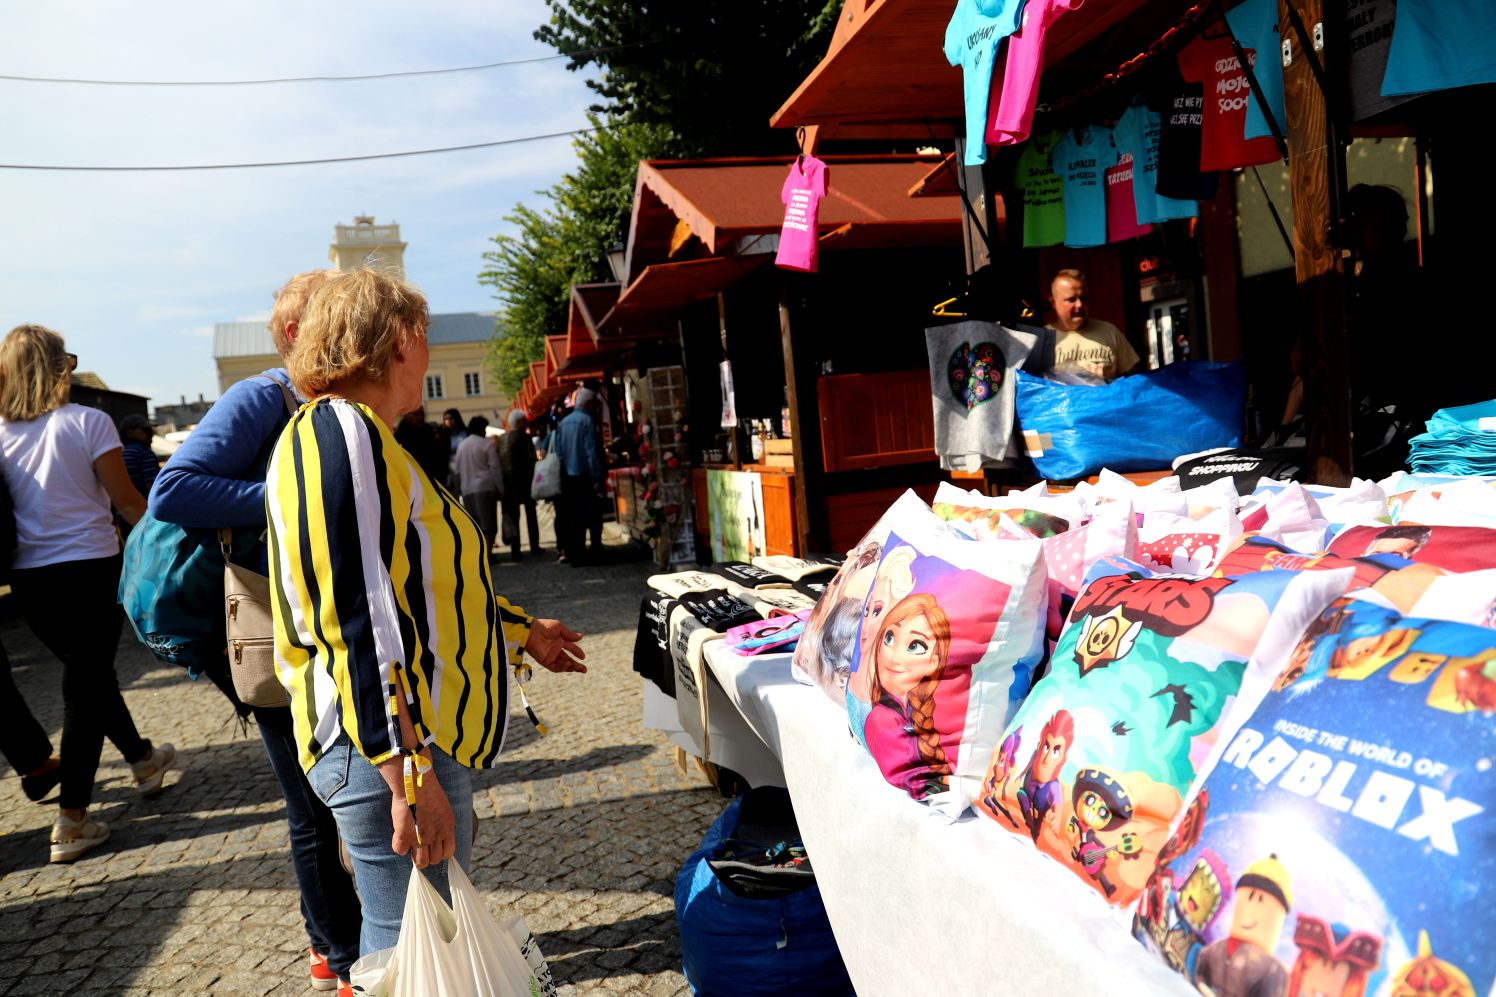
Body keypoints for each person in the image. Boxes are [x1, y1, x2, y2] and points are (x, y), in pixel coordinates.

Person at [266, 266, 588, 964]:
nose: (430, 352)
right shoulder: (341, 430)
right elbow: (359, 613)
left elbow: (421, 592)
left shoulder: (361, 435)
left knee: (415, 947)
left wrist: (522, 630)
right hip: (379, 743)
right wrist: (408, 773)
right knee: (410, 953)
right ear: (396, 341)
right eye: (423, 334)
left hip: (388, 740)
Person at [149, 269, 363, 994]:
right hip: (272, 633)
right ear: (300, 332)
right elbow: (173, 489)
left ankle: (331, 938)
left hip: (331, 625)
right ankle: (339, 955)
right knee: (311, 804)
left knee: (338, 796)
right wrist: (286, 491)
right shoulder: (261, 397)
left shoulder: (337, 401)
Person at [0, 325, 175, 864]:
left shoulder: (1, 434)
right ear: (58, 368)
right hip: (91, 569)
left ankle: (144, 759)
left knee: (89, 676)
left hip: (29, 579)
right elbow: (127, 503)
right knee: (86, 686)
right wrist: (168, 550)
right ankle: (72, 819)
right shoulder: (88, 422)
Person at [861, 592, 953, 801]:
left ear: (934, 661)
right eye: (889, 638)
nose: (894, 657)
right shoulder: (883, 717)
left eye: (914, 646)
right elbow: (917, 779)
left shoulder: (913, 708)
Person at [1046, 269, 1141, 382]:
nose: (1079, 305)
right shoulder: (1043, 340)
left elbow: (1134, 379)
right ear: (1053, 302)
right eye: (1071, 299)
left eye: (1083, 298)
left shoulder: (1109, 331)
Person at [550, 387, 606, 565]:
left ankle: (577, 555)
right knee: (594, 515)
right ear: (588, 403)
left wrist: (567, 466)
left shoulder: (564, 422)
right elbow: (591, 452)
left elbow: (558, 452)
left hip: (569, 477)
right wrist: (596, 477)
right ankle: (596, 551)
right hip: (585, 477)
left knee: (575, 518)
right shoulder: (587, 421)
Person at [496, 409, 542, 560]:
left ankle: (515, 550)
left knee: (513, 517)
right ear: (521, 422)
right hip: (526, 482)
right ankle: (534, 546)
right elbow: (531, 460)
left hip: (508, 484)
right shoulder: (525, 438)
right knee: (531, 515)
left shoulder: (501, 439)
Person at [454, 415, 502, 555]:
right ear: (481, 429)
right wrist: (500, 487)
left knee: (475, 525)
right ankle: (488, 554)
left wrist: (458, 491)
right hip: (485, 487)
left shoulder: (461, 446)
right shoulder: (486, 444)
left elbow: (457, 471)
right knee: (489, 525)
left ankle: (479, 555)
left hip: (467, 489)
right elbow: (495, 468)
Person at [393, 408, 449, 485]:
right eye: (416, 414)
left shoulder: (429, 430)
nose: (420, 417)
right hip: (411, 479)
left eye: (422, 414)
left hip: (431, 478)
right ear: (407, 416)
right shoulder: (400, 434)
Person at [118, 413, 160, 499]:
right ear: (129, 432)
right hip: (145, 506)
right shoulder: (144, 452)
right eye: (145, 429)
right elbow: (153, 486)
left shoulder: (117, 452)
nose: (150, 432)